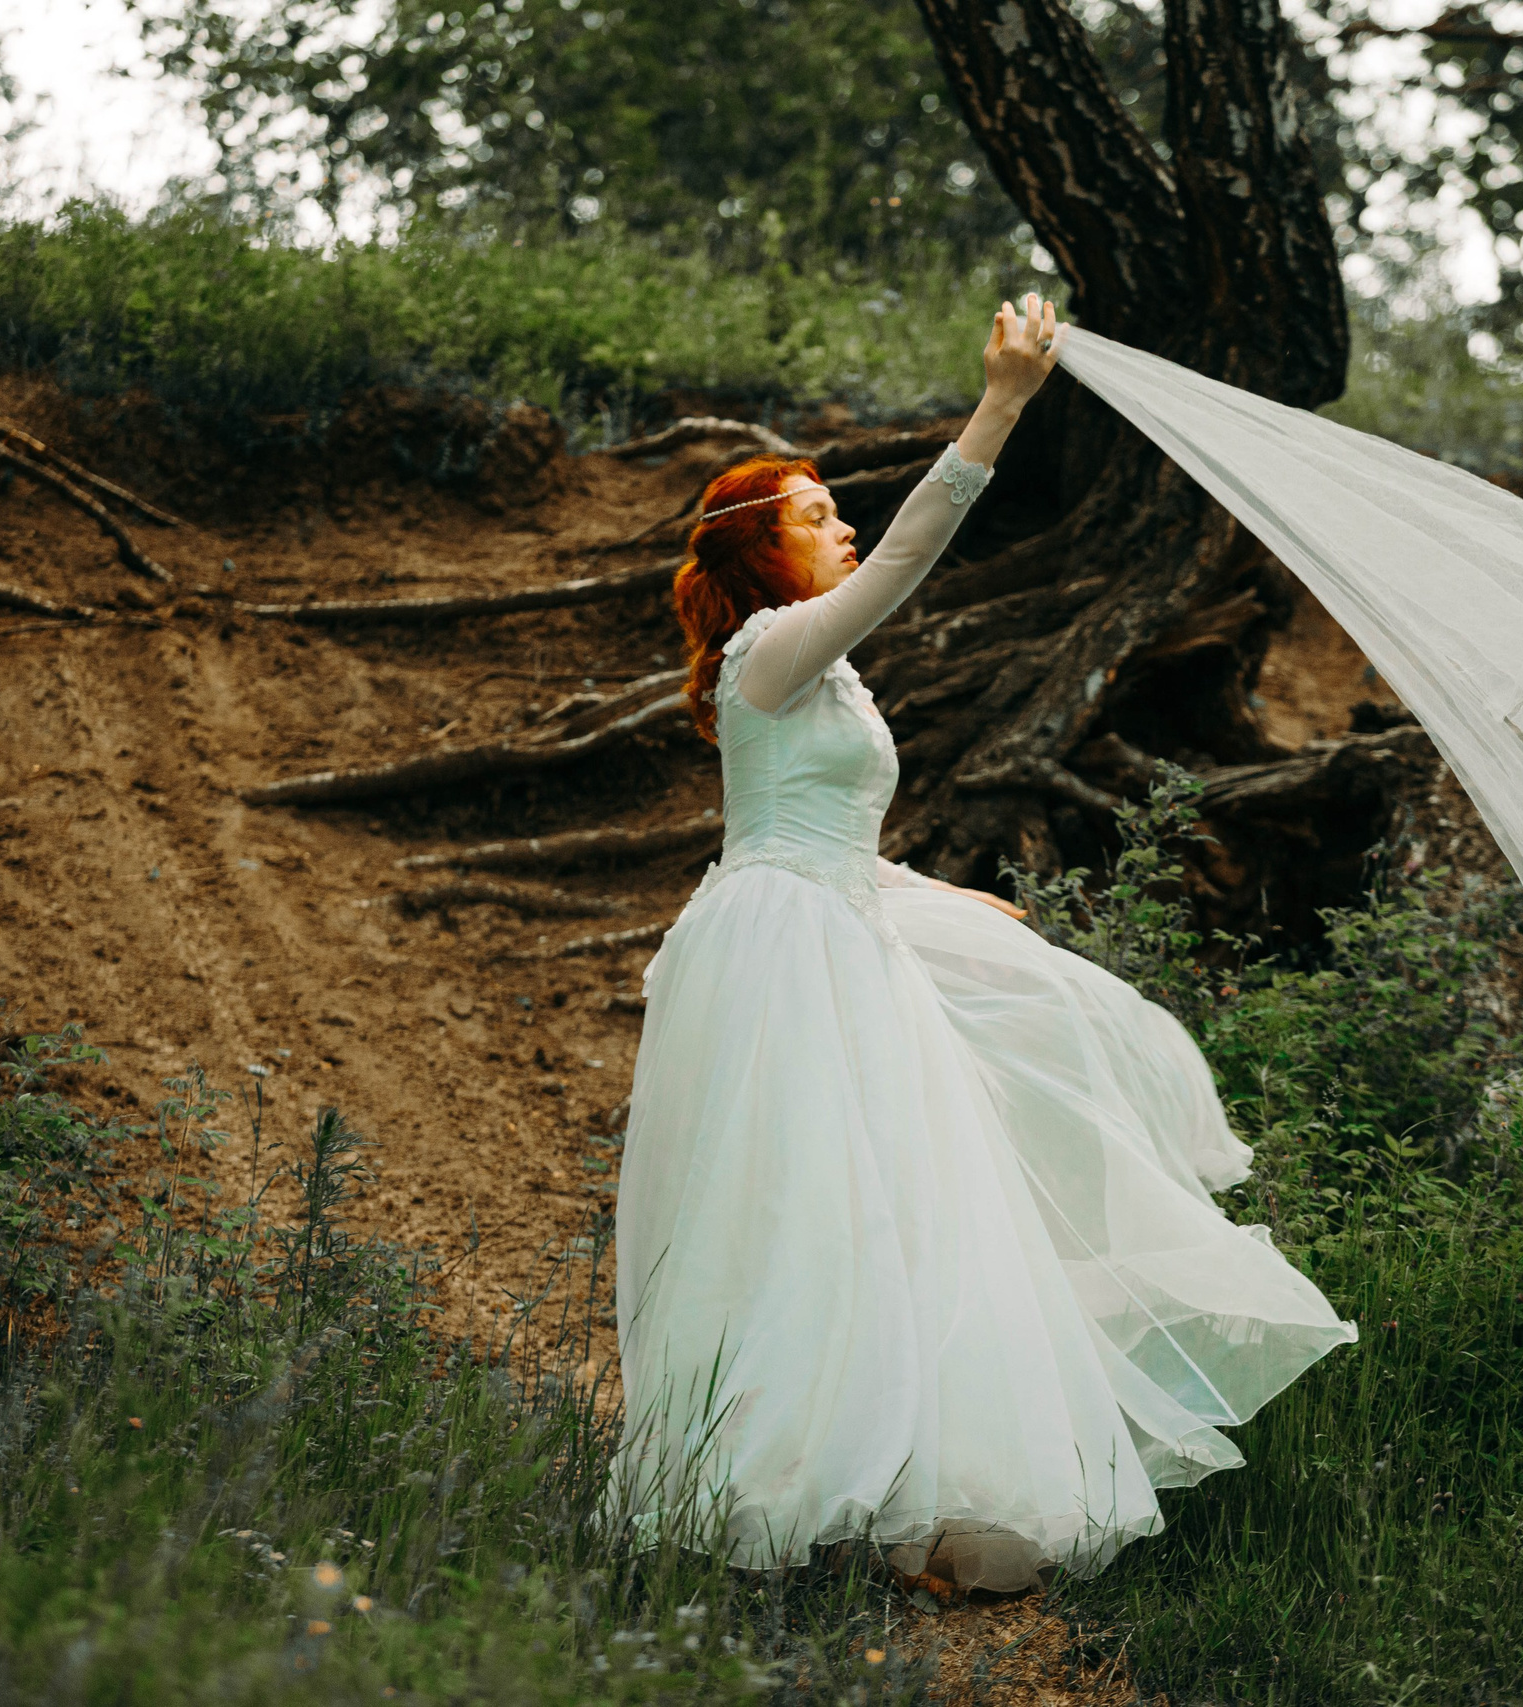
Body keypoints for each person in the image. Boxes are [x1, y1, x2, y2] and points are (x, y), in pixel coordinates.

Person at [606, 292, 1357, 1598]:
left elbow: (829, 832)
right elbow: (905, 569)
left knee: (900, 1203)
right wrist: (1002, 402)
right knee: (807, 1207)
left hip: (846, 930)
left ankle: (904, 1485)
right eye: (814, 513)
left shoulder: (823, 675)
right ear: (757, 555)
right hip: (783, 962)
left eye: (840, 508)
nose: (841, 523)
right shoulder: (773, 649)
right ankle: (792, 1481)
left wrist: (955, 906)